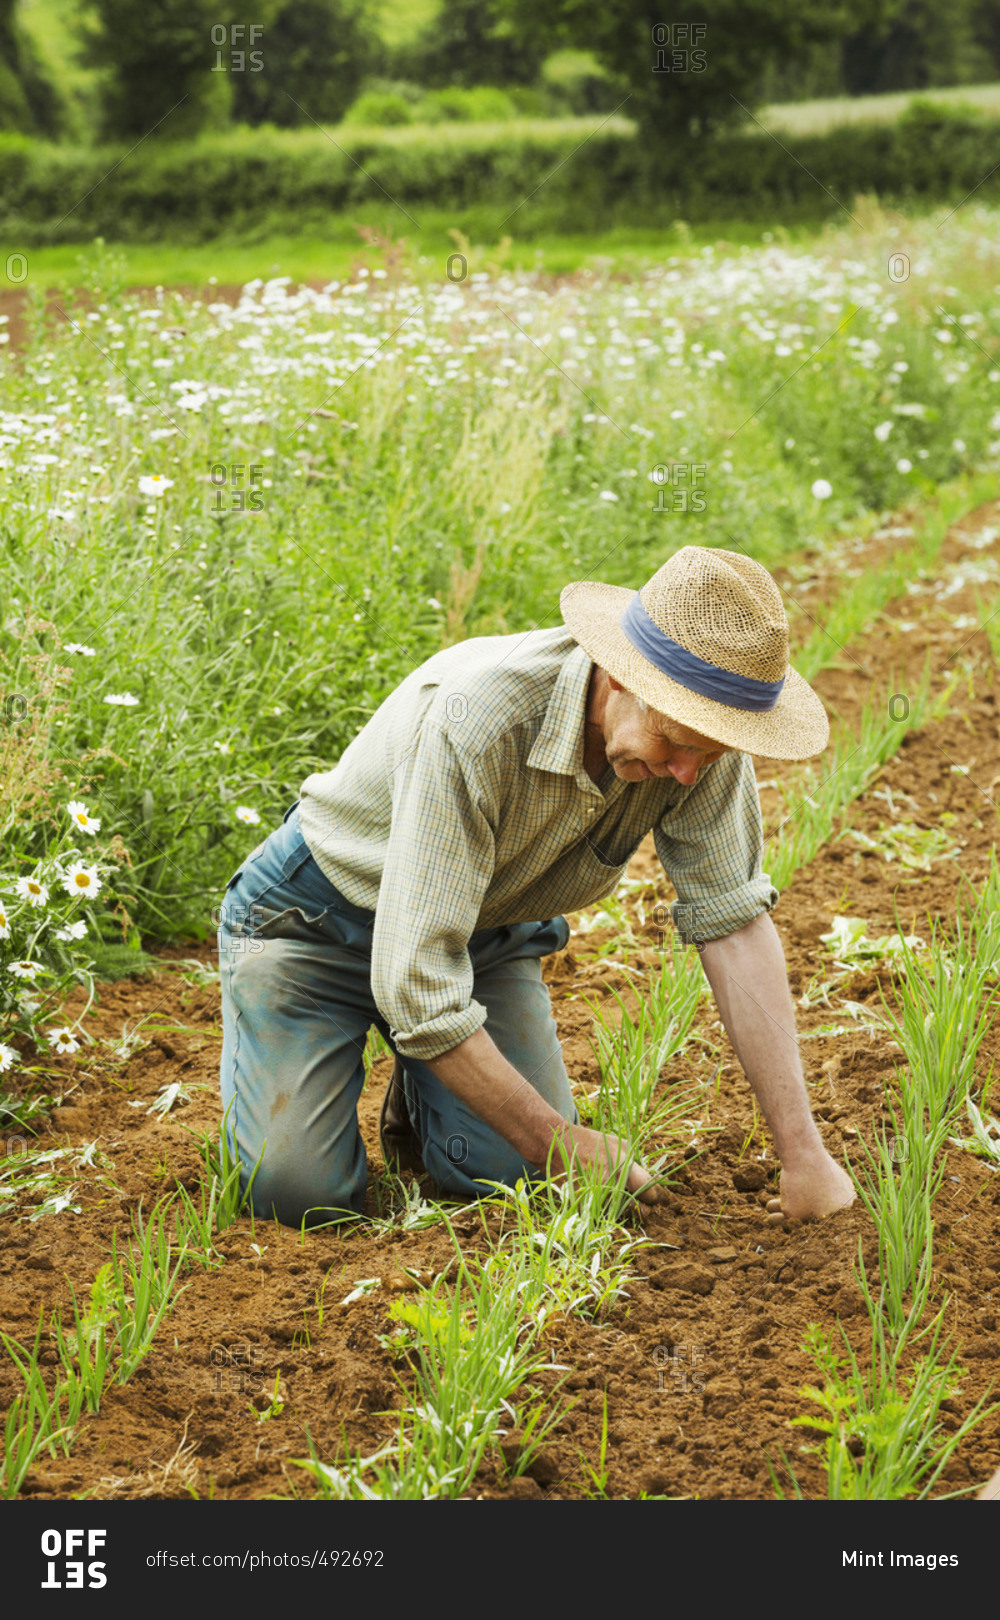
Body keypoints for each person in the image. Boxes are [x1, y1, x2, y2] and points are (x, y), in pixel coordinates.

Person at [217, 545, 854, 1229]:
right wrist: (560, 1141)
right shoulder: (476, 722)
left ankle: (423, 1090)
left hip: (478, 938)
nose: (689, 774)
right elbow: (416, 985)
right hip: (314, 928)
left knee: (513, 1176)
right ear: (617, 675)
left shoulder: (699, 750)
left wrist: (804, 1154)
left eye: (713, 750)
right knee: (294, 1197)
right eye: (675, 742)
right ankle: (397, 1064)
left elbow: (734, 925)